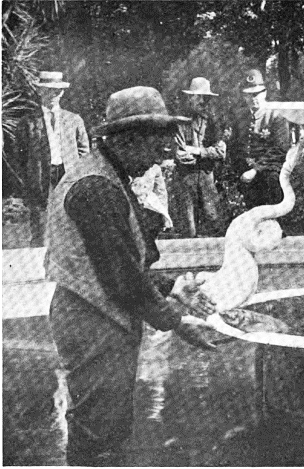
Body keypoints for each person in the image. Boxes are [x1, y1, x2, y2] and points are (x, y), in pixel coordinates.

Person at [44, 86, 218, 466]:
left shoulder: (106, 175)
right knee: (99, 428)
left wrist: (175, 286)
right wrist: (177, 322)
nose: (160, 155)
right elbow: (122, 279)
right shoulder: (96, 187)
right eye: (156, 144)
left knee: (109, 420)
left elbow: (121, 263)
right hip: (92, 320)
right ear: (129, 139)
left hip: (97, 313)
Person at [15, 71, 90, 247]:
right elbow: (20, 156)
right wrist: (29, 178)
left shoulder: (73, 120)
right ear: (40, 91)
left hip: (67, 174)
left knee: (70, 220)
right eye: (48, 90)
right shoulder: (27, 122)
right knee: (41, 223)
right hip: (41, 176)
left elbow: (84, 151)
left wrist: (78, 172)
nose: (53, 94)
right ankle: (39, 255)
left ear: (62, 93)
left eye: (57, 90)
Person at [173, 77, 228, 237]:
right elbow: (180, 154)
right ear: (190, 98)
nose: (202, 101)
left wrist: (197, 151)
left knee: (214, 222)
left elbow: (221, 152)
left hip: (206, 177)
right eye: (198, 97)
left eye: (206, 98)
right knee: (188, 228)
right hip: (186, 178)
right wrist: (207, 153)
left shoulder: (213, 122)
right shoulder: (180, 122)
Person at [235, 69, 291, 209]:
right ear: (244, 96)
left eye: (256, 94)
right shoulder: (241, 117)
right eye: (249, 95)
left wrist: (255, 170)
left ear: (264, 93)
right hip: (246, 173)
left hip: (269, 171)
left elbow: (280, 149)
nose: (253, 98)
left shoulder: (276, 116)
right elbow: (236, 146)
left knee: (270, 209)